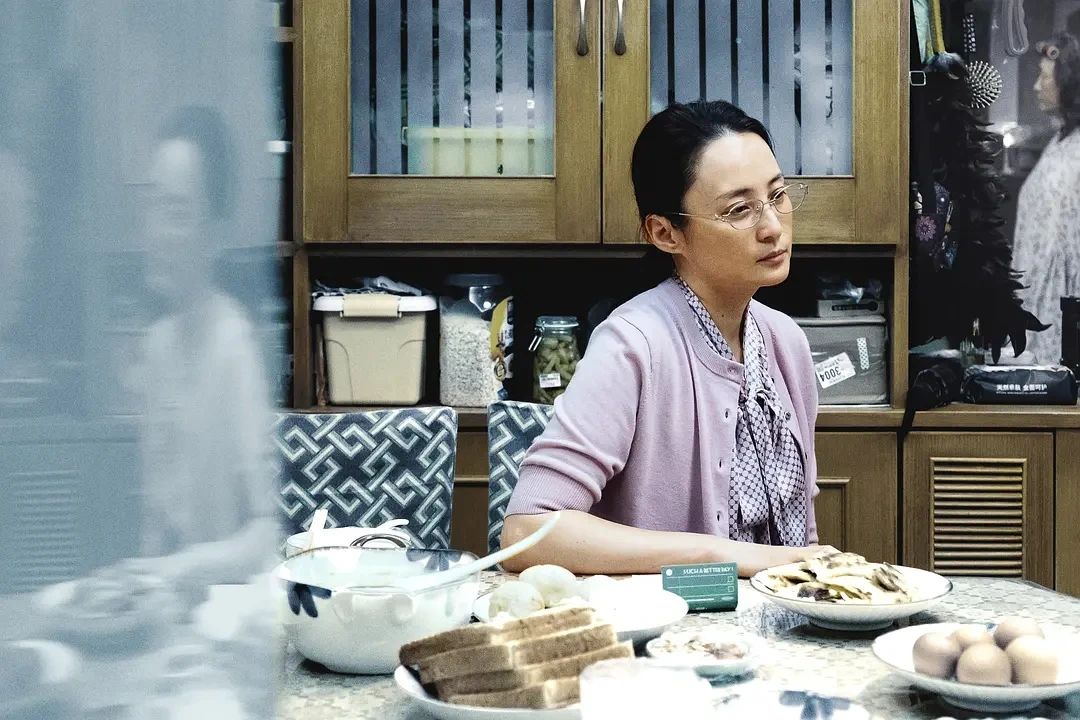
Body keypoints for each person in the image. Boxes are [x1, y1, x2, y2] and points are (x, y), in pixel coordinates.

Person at [501, 100, 835, 576]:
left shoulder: (787, 343)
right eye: (739, 209)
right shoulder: (632, 345)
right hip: (671, 621)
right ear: (665, 233)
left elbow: (799, 538)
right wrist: (715, 553)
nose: (773, 227)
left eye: (778, 195)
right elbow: (526, 532)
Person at [130, 106, 276, 589]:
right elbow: (155, 524)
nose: (154, 233)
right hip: (172, 606)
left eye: (176, 214)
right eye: (151, 207)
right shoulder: (157, 346)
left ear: (217, 232)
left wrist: (176, 570)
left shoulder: (233, 346)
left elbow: (264, 535)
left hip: (227, 610)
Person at [1012, 32, 1080, 364]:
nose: (1037, 86)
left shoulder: (1076, 151)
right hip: (1036, 296)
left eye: (1044, 77)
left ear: (1066, 84)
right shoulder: (1059, 143)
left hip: (1058, 305)